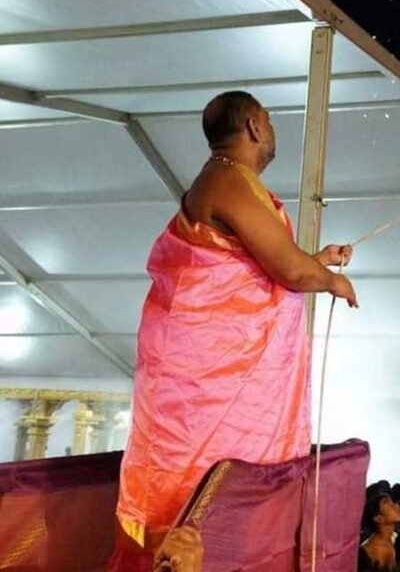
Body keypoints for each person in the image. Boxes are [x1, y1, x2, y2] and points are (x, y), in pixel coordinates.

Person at [111, 91, 358, 560]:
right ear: (253, 127)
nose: (272, 132)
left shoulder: (232, 182)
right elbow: (289, 271)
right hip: (209, 384)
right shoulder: (227, 181)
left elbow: (266, 262)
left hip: (224, 378)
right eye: (269, 122)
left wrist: (318, 260)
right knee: (197, 486)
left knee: (220, 491)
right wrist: (328, 280)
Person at [362, 493, 400, 571]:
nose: (395, 505)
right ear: (379, 518)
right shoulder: (369, 552)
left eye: (392, 502)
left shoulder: (397, 539)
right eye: (386, 503)